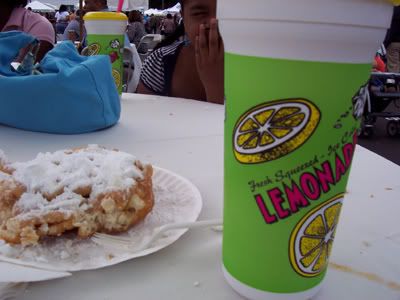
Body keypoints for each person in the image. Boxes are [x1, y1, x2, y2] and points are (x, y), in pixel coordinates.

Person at [136, 0, 224, 104]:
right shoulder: (160, 62)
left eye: (225, 13)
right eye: (199, 13)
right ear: (184, 17)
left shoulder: (248, 67)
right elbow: (144, 114)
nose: (214, 22)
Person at [384, 6, 400, 73]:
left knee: (393, 68)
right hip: (395, 42)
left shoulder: (394, 11)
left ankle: (394, 82)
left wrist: (386, 43)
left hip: (394, 42)